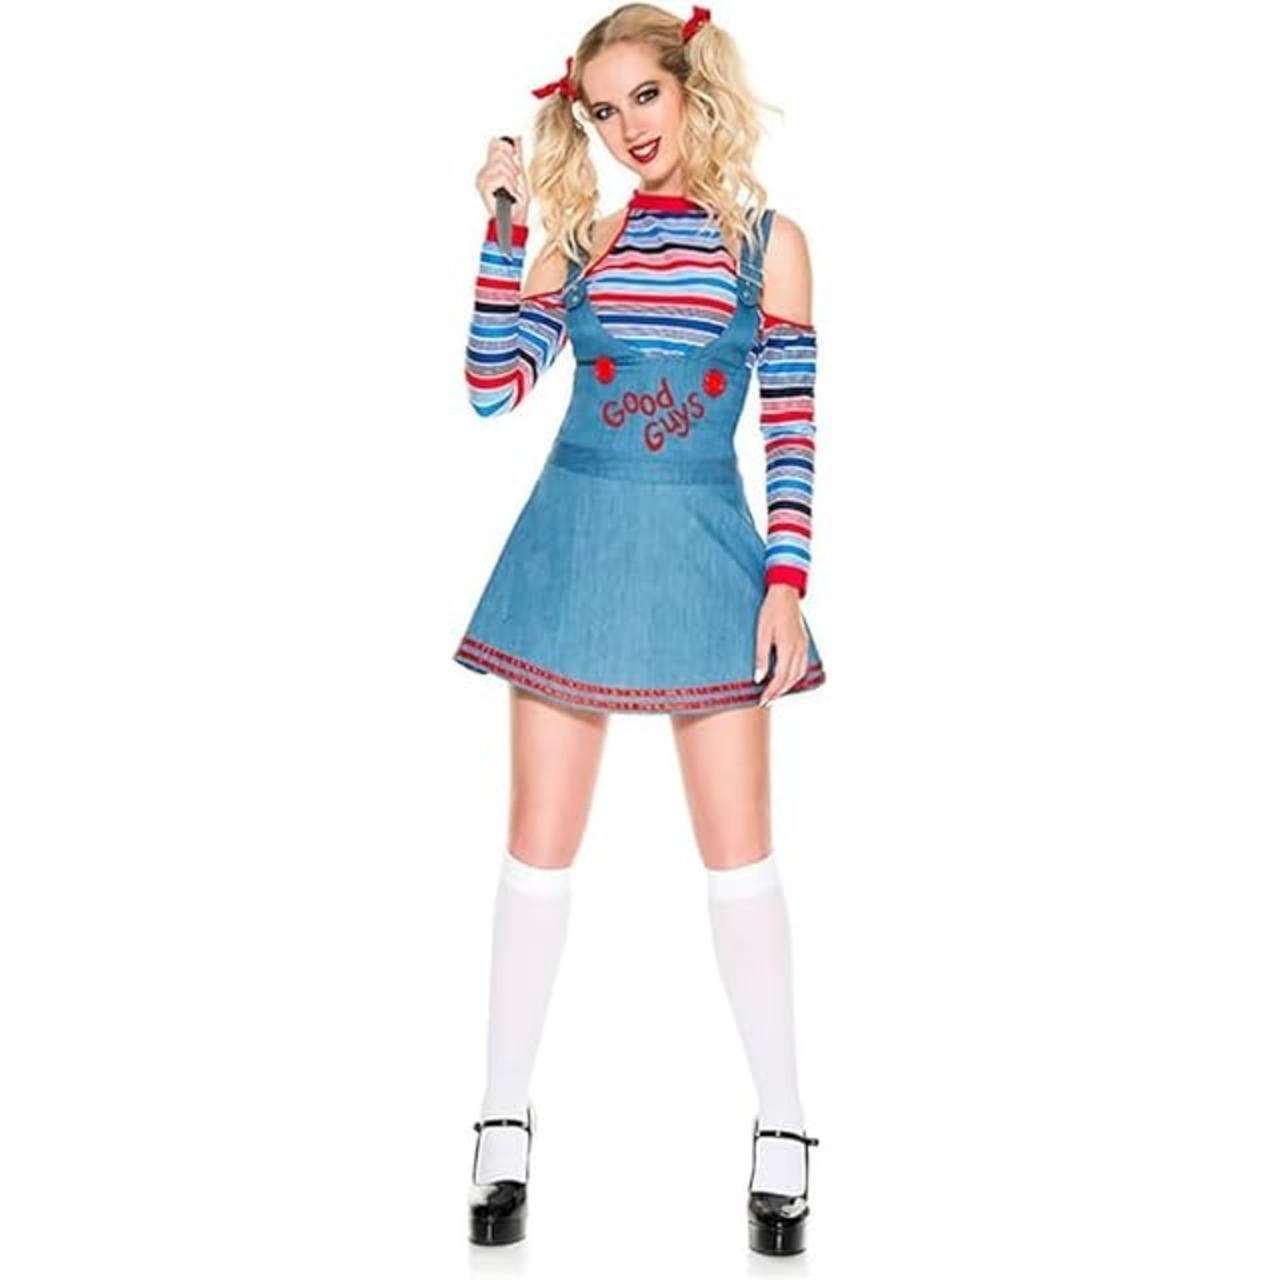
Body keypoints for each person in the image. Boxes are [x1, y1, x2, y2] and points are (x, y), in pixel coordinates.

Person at [458, 3, 823, 1256]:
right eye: (602, 112)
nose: (626, 130)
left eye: (643, 99)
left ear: (690, 86)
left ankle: (783, 1120)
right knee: (536, 846)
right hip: (573, 545)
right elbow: (491, 386)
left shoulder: (769, 246)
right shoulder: (582, 241)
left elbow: (790, 422)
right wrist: (504, 226)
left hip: (706, 553)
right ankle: (500, 1115)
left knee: (740, 852)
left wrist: (786, 580)